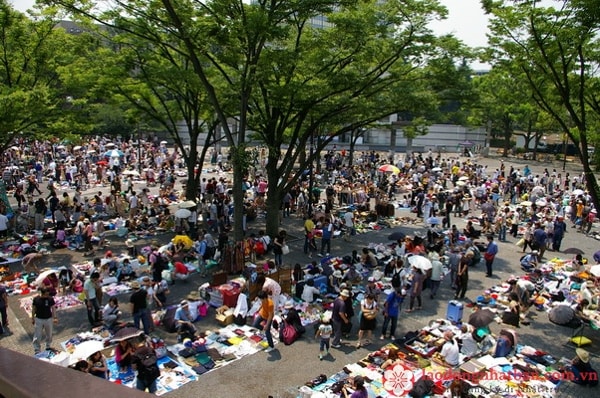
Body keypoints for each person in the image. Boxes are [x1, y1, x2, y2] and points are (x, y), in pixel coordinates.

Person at [31, 287, 57, 354]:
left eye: (48, 294)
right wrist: (32, 318)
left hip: (48, 319)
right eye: (46, 294)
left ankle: (48, 346)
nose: (47, 296)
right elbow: (34, 309)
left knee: (49, 334)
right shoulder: (36, 299)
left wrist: (54, 317)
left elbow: (53, 308)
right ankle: (37, 349)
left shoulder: (50, 299)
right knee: (37, 334)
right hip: (39, 319)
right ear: (42, 293)